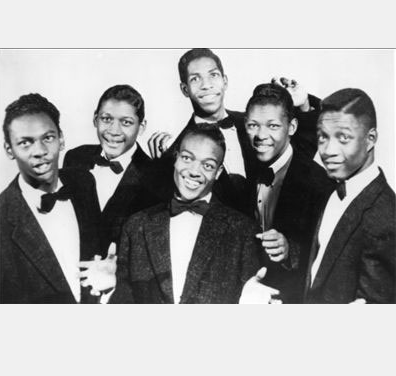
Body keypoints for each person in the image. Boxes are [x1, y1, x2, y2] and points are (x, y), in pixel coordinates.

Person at [79, 124, 282, 304]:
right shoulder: (136, 226)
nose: (194, 171)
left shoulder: (242, 231)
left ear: (218, 173)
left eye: (207, 165)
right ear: (175, 159)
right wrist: (112, 289)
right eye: (187, 158)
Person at [148, 48, 321, 212]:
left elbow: (300, 156)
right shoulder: (176, 151)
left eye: (213, 75)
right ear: (185, 89)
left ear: (225, 81)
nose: (206, 85)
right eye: (195, 79)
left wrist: (304, 106)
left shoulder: (255, 125)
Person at [0, 93, 101, 303]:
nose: (40, 151)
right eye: (25, 143)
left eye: (48, 138)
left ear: (61, 139)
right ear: (9, 150)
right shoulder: (0, 219)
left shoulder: (83, 182)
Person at [244, 83, 334, 302]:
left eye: (273, 126)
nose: (261, 135)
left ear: (292, 127)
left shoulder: (319, 183)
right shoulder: (247, 169)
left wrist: (290, 250)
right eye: (253, 125)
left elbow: (333, 253)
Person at [305, 88, 395, 303]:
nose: (328, 150)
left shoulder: (385, 216)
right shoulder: (332, 190)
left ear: (370, 139)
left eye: (343, 137)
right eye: (322, 137)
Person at [63, 85, 160, 254]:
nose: (114, 131)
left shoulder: (154, 176)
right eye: (106, 119)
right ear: (95, 119)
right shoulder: (75, 158)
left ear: (141, 127)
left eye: (126, 122)